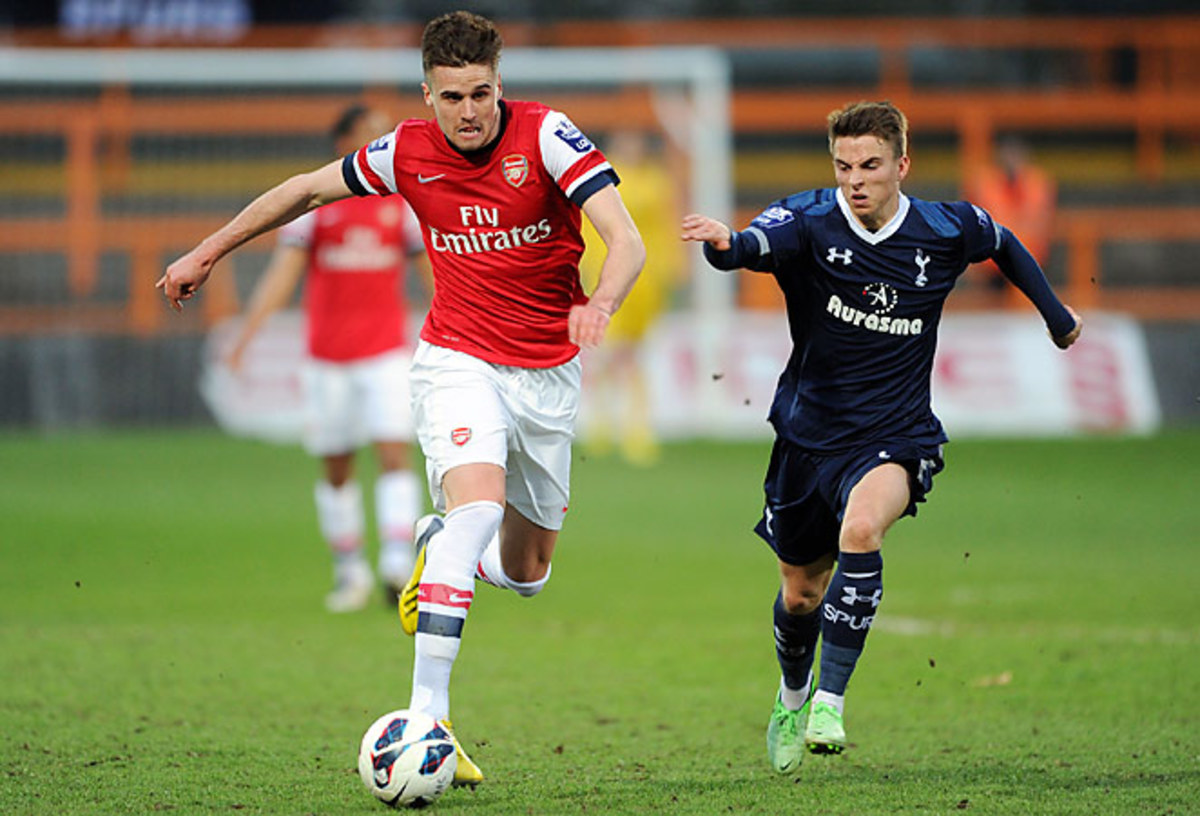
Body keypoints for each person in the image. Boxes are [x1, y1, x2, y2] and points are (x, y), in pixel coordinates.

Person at [157, 10, 645, 789]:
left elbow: (626, 238)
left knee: (526, 573)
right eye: (451, 97)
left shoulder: (548, 137)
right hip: (455, 360)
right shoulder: (405, 152)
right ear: (428, 95)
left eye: (481, 93)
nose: (469, 112)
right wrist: (207, 251)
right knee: (477, 512)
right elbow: (306, 190)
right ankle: (427, 720)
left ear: (499, 87)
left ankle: (433, 543)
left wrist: (603, 303)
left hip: (547, 375)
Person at [681, 100, 1081, 774]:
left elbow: (1005, 241)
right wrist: (726, 245)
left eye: (869, 165)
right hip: (808, 438)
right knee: (800, 592)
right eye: (843, 167)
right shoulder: (809, 219)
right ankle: (792, 694)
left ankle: (830, 704)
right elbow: (750, 247)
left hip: (896, 433)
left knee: (863, 528)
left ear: (902, 164)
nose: (855, 179)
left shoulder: (943, 227)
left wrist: (1057, 315)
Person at [226, 104, 429, 613]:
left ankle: (398, 563)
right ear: (344, 142)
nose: (379, 146)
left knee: (393, 452)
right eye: (368, 136)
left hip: (385, 354)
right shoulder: (315, 205)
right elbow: (282, 275)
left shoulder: (402, 207)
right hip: (328, 359)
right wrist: (247, 334)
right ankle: (350, 571)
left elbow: (433, 275)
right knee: (337, 466)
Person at [578, 128, 685, 466]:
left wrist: (673, 265)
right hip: (609, 275)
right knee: (615, 351)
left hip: (647, 281)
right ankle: (617, 429)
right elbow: (588, 230)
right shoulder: (599, 186)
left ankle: (626, 428)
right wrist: (583, 269)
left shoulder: (654, 182)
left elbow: (665, 227)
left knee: (632, 353)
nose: (632, 148)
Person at [965, 136, 1057, 292]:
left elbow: (1038, 218)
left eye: (1015, 155)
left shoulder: (1036, 182)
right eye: (1008, 155)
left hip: (1030, 260)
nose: (1011, 160)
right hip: (992, 265)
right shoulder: (985, 183)